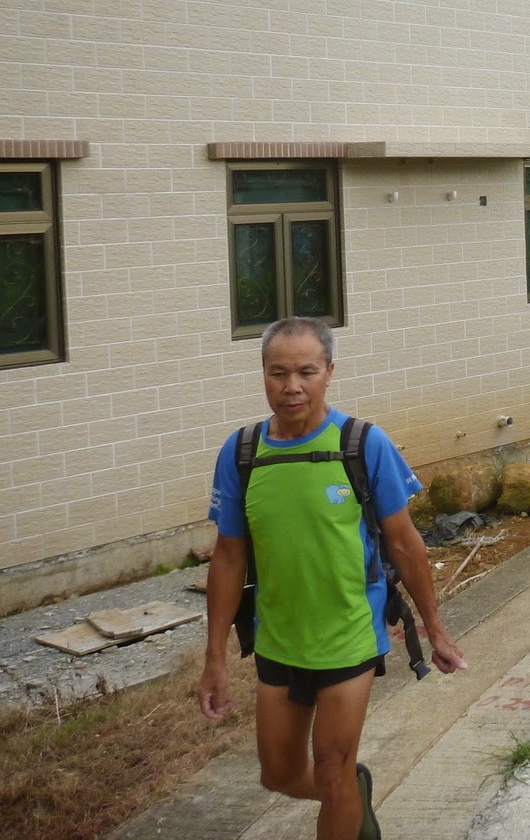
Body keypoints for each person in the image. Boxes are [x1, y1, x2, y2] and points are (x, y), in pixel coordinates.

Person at [198, 317, 466, 840]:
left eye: (306, 372)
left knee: (331, 766)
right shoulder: (242, 453)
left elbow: (405, 543)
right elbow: (227, 558)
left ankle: (343, 791)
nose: (291, 386)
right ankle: (351, 795)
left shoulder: (362, 444)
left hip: (349, 633)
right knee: (278, 775)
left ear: (329, 372)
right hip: (279, 637)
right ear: (263, 374)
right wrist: (214, 660)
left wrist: (436, 629)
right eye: (278, 373)